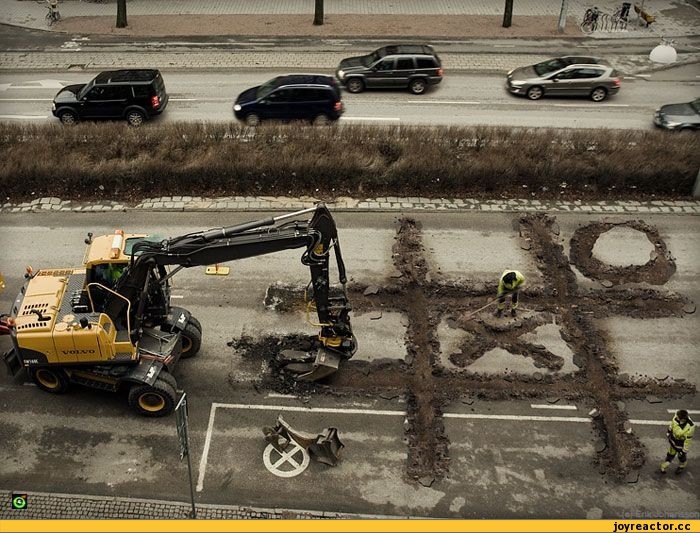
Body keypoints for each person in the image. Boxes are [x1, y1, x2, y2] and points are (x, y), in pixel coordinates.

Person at [660, 409, 694, 474]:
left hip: (681, 444)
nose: (676, 418)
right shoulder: (676, 416)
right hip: (673, 440)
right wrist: (669, 431)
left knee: (681, 457)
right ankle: (665, 465)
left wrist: (684, 451)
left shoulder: (690, 427)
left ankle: (681, 466)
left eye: (678, 418)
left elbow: (688, 440)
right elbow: (672, 424)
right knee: (671, 453)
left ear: (683, 419)